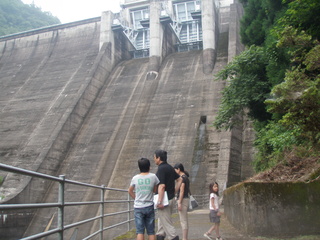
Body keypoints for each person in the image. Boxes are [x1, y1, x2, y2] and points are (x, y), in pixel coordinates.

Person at [128, 158, 160, 240]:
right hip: (149, 205)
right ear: (149, 167)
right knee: (151, 231)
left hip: (138, 207)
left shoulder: (135, 178)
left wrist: (136, 198)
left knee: (140, 231)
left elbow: (130, 190)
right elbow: (155, 190)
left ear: (139, 168)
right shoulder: (153, 177)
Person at [154, 149, 182, 240]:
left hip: (164, 201)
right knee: (161, 226)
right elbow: (180, 180)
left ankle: (174, 238)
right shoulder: (170, 167)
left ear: (158, 158)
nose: (154, 159)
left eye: (155, 157)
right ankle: (160, 236)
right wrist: (174, 191)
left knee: (169, 227)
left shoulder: (161, 169)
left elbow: (161, 186)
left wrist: (159, 201)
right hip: (170, 198)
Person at [174, 163, 190, 240]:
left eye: (175, 170)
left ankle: (184, 238)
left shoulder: (182, 178)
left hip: (183, 200)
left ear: (178, 169)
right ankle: (185, 238)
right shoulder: (186, 177)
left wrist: (179, 202)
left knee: (183, 220)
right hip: (186, 199)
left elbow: (182, 191)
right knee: (185, 220)